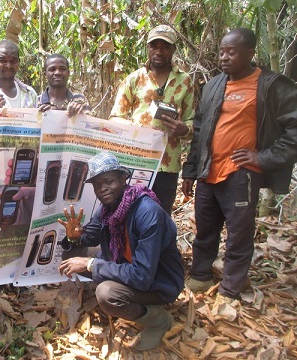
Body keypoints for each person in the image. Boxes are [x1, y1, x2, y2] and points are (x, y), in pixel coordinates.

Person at [182, 28, 297, 303]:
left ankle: (230, 289)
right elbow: (199, 130)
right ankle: (200, 276)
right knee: (205, 228)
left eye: (231, 52)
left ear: (249, 53)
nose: (224, 57)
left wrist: (264, 157)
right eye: (222, 51)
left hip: (241, 174)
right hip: (209, 171)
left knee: (238, 234)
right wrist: (190, 170)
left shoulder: (270, 85)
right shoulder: (213, 85)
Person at [58, 151, 184, 351]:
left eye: (108, 181)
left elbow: (142, 276)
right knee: (72, 255)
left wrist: (92, 264)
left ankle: (158, 320)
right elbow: (89, 236)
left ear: (123, 178)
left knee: (107, 294)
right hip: (126, 265)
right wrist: (74, 236)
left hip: (159, 282)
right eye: (97, 185)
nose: (103, 189)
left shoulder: (147, 213)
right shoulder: (110, 206)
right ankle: (122, 291)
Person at [109, 25, 195, 215]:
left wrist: (183, 130)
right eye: (154, 46)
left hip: (168, 164)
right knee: (131, 215)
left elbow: (191, 123)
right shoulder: (134, 79)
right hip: (137, 162)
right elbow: (115, 118)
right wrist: (136, 128)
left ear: (173, 49)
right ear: (147, 48)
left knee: (161, 216)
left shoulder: (185, 81)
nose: (158, 51)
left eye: (164, 47)